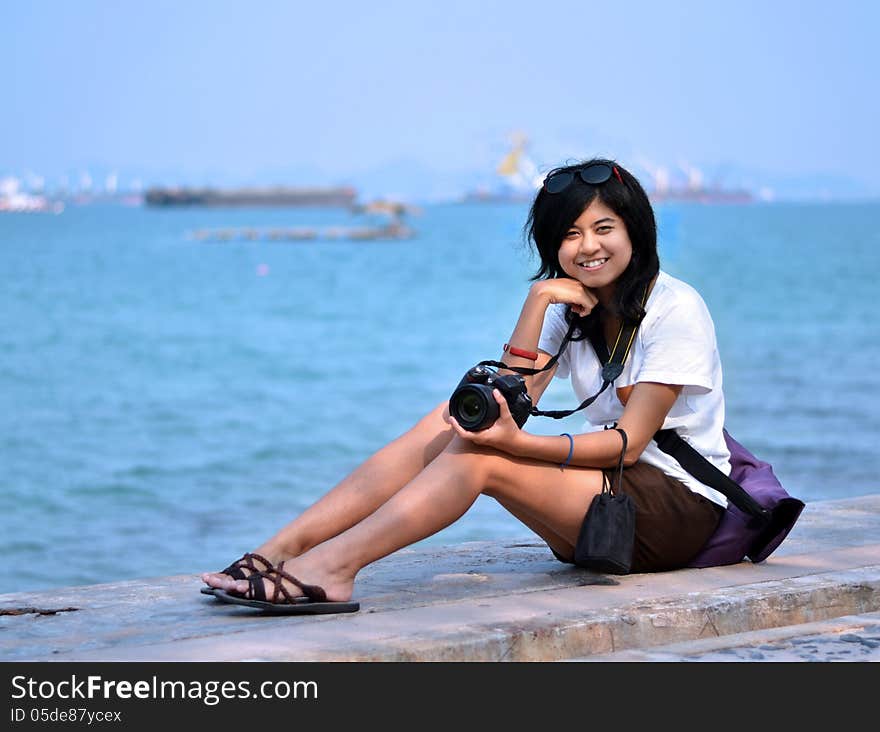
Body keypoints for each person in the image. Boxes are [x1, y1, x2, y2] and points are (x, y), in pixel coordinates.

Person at [201, 158, 730, 612]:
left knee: (479, 456)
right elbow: (504, 400)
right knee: (449, 424)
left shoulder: (673, 307)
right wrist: (538, 301)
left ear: (635, 228)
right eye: (569, 234)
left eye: (603, 228)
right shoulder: (569, 304)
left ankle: (331, 569)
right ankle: (281, 551)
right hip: (608, 508)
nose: (587, 247)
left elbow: (629, 444)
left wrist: (516, 444)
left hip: (677, 506)